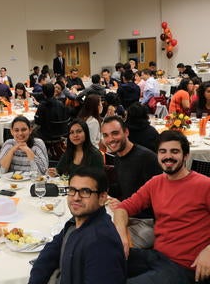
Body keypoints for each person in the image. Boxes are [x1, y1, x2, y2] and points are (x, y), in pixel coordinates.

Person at [113, 130, 210, 284]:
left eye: (175, 151)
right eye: (162, 151)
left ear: (186, 156)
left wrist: (209, 250)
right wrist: (122, 235)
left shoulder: (204, 185)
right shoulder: (155, 183)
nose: (168, 156)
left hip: (184, 267)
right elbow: (122, 208)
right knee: (103, 257)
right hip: (157, 257)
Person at [29, 166, 126, 284]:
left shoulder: (101, 243)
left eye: (85, 192)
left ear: (102, 198)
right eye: (72, 190)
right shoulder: (76, 222)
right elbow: (51, 251)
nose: (76, 197)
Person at [101, 116, 162, 249]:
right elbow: (124, 187)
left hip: (148, 224)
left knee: (105, 244)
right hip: (127, 216)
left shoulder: (147, 159)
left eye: (115, 133)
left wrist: (125, 205)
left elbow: (159, 202)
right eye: (105, 135)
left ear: (126, 132)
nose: (110, 139)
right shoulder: (119, 157)